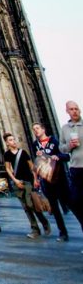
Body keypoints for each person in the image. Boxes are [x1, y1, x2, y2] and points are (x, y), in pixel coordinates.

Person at [3, 132, 51, 238]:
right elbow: (7, 168)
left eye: (14, 139)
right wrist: (15, 180)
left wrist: (35, 179)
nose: (13, 141)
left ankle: (44, 222)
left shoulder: (23, 152)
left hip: (28, 181)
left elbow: (31, 166)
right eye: (10, 140)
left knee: (31, 205)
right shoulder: (7, 154)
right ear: (7, 143)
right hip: (18, 182)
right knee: (26, 207)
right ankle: (35, 230)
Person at [32, 121, 70, 241]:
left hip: (59, 179)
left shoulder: (54, 141)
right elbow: (37, 163)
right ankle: (62, 233)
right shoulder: (35, 145)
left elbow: (67, 156)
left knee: (72, 204)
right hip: (46, 180)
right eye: (34, 129)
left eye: (37, 128)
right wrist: (36, 178)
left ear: (43, 129)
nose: (35, 131)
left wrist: (57, 156)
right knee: (54, 207)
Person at [60, 100, 83, 235]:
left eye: (76, 109)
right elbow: (62, 148)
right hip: (75, 169)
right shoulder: (65, 128)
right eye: (71, 109)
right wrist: (70, 146)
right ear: (67, 111)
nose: (74, 111)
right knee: (73, 201)